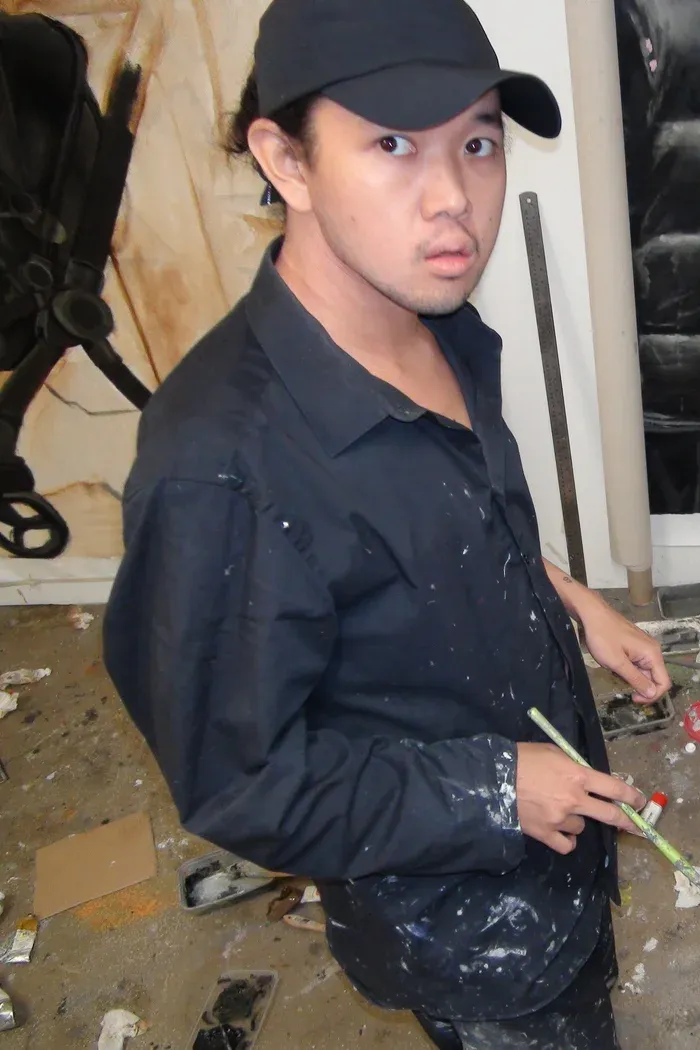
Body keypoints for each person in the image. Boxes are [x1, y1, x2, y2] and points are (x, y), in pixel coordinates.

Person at [101, 1, 671, 1046]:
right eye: (393, 143)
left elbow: (454, 525)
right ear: (288, 161)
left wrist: (572, 600)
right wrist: (495, 789)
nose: (454, 198)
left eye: (478, 142)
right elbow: (240, 783)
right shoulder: (223, 472)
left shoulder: (438, 321)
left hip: (545, 808)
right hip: (455, 909)